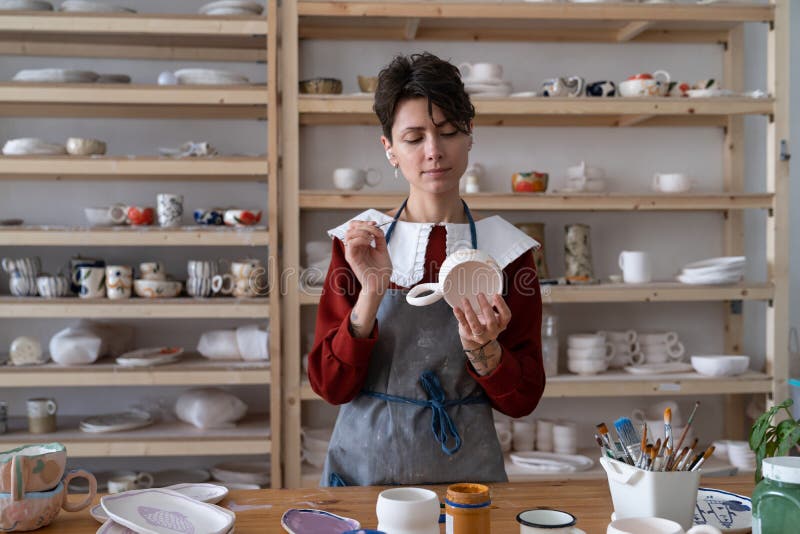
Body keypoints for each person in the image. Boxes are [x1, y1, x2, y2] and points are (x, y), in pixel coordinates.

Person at [307, 52, 546, 487]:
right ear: (390, 150)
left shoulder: (508, 252)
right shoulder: (359, 244)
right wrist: (371, 291)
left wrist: (486, 351)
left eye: (448, 132)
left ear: (470, 135)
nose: (434, 152)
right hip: (365, 480)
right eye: (414, 138)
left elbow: (523, 400)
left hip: (466, 484)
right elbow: (329, 387)